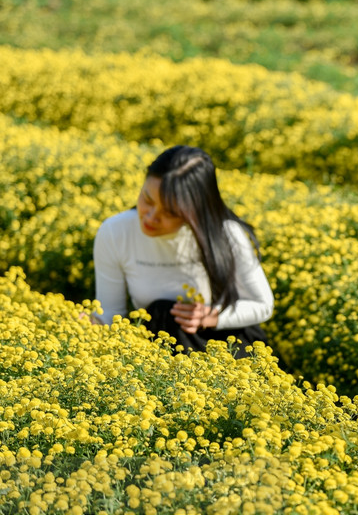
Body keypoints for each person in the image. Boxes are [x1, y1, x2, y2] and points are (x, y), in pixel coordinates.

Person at [93, 145, 274, 358]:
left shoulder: (227, 234)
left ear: (195, 211)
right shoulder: (115, 232)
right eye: (147, 199)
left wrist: (212, 316)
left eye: (170, 213)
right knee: (161, 312)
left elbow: (263, 305)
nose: (150, 217)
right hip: (168, 348)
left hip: (230, 346)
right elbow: (110, 315)